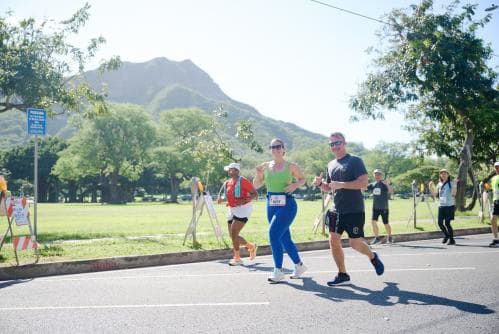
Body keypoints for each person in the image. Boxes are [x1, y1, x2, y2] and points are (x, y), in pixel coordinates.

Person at [312, 132, 384, 286]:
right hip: (336, 210)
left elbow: (363, 183)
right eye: (332, 144)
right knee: (333, 239)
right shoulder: (331, 165)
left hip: (354, 209)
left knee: (355, 243)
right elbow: (329, 187)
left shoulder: (355, 161)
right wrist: (320, 184)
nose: (335, 147)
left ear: (344, 143)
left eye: (338, 143)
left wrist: (342, 184)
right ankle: (342, 274)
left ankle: (372, 256)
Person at [253, 138, 307, 283]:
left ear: (283, 149)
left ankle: (278, 270)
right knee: (284, 238)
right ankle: (299, 265)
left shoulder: (291, 166)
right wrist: (258, 175)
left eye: (278, 146)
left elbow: (302, 179)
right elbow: (256, 185)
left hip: (287, 204)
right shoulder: (265, 166)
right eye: (272, 147)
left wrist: (295, 185)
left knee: (273, 233)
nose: (275, 149)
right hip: (271, 204)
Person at [217, 162, 259, 266]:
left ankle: (237, 258)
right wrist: (222, 199)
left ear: (236, 171)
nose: (228, 171)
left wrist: (244, 200)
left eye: (230, 169)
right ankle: (251, 246)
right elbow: (228, 196)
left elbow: (255, 194)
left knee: (234, 233)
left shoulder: (243, 181)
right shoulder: (228, 182)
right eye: (228, 169)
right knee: (232, 235)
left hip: (243, 209)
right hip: (232, 209)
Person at [428, 169, 457, 245]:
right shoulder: (439, 184)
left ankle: (452, 240)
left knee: (447, 223)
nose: (443, 175)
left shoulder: (451, 183)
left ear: (448, 175)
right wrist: (430, 187)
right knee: (440, 223)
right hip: (441, 206)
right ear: (440, 175)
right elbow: (435, 194)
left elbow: (453, 194)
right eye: (442, 174)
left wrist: (455, 185)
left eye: (445, 173)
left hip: (449, 206)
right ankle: (447, 235)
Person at [366, 169, 394, 245]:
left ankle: (390, 237)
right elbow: (364, 188)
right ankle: (377, 238)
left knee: (385, 223)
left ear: (381, 176)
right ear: (373, 175)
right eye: (375, 174)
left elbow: (391, 191)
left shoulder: (384, 184)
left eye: (378, 174)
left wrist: (388, 184)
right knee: (373, 221)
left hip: (384, 207)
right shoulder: (373, 184)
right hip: (375, 207)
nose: (377, 176)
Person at [488, 161, 499, 247]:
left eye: (498, 167)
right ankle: (496, 239)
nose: (497, 169)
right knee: (493, 219)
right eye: (496, 167)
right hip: (496, 201)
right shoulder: (494, 178)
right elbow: (492, 189)